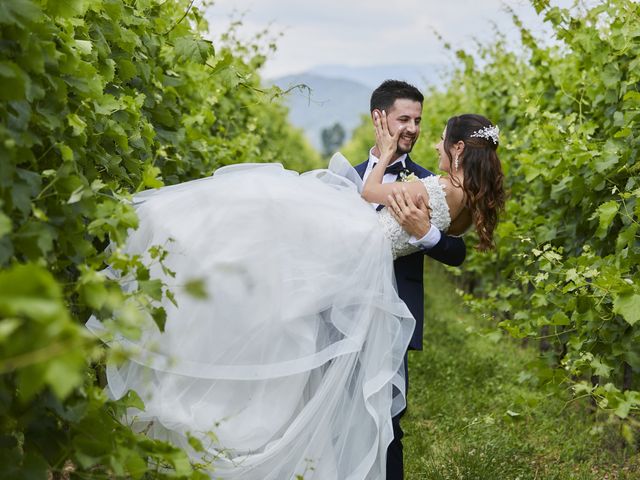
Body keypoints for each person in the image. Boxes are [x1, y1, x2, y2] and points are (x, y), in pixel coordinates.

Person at [86, 100, 504, 479]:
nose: (430, 142)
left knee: (261, 207)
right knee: (267, 232)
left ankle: (183, 252)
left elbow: (370, 193)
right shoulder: (465, 197)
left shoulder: (434, 186)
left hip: (354, 251)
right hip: (358, 259)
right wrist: (421, 221)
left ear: (459, 149)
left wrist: (388, 162)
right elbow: (447, 232)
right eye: (406, 121)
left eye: (439, 137)